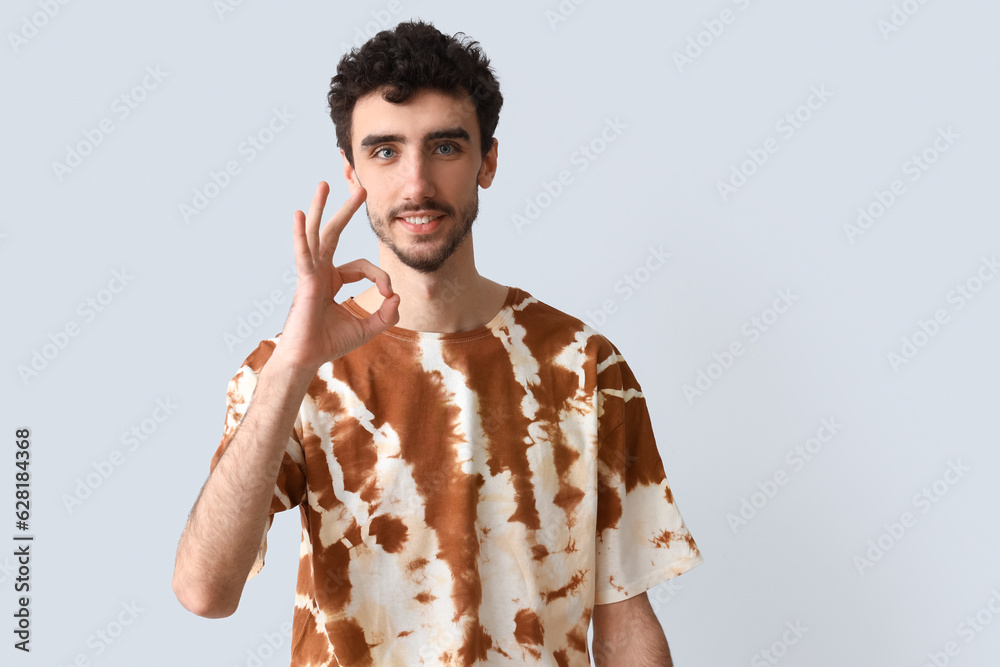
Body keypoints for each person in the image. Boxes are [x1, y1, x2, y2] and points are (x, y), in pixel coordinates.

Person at [172, 19, 703, 667]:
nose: (416, 183)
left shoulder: (584, 365)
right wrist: (291, 365)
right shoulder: (288, 370)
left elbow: (624, 619)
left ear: (489, 161)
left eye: (445, 147)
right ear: (353, 172)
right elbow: (204, 591)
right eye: (386, 151)